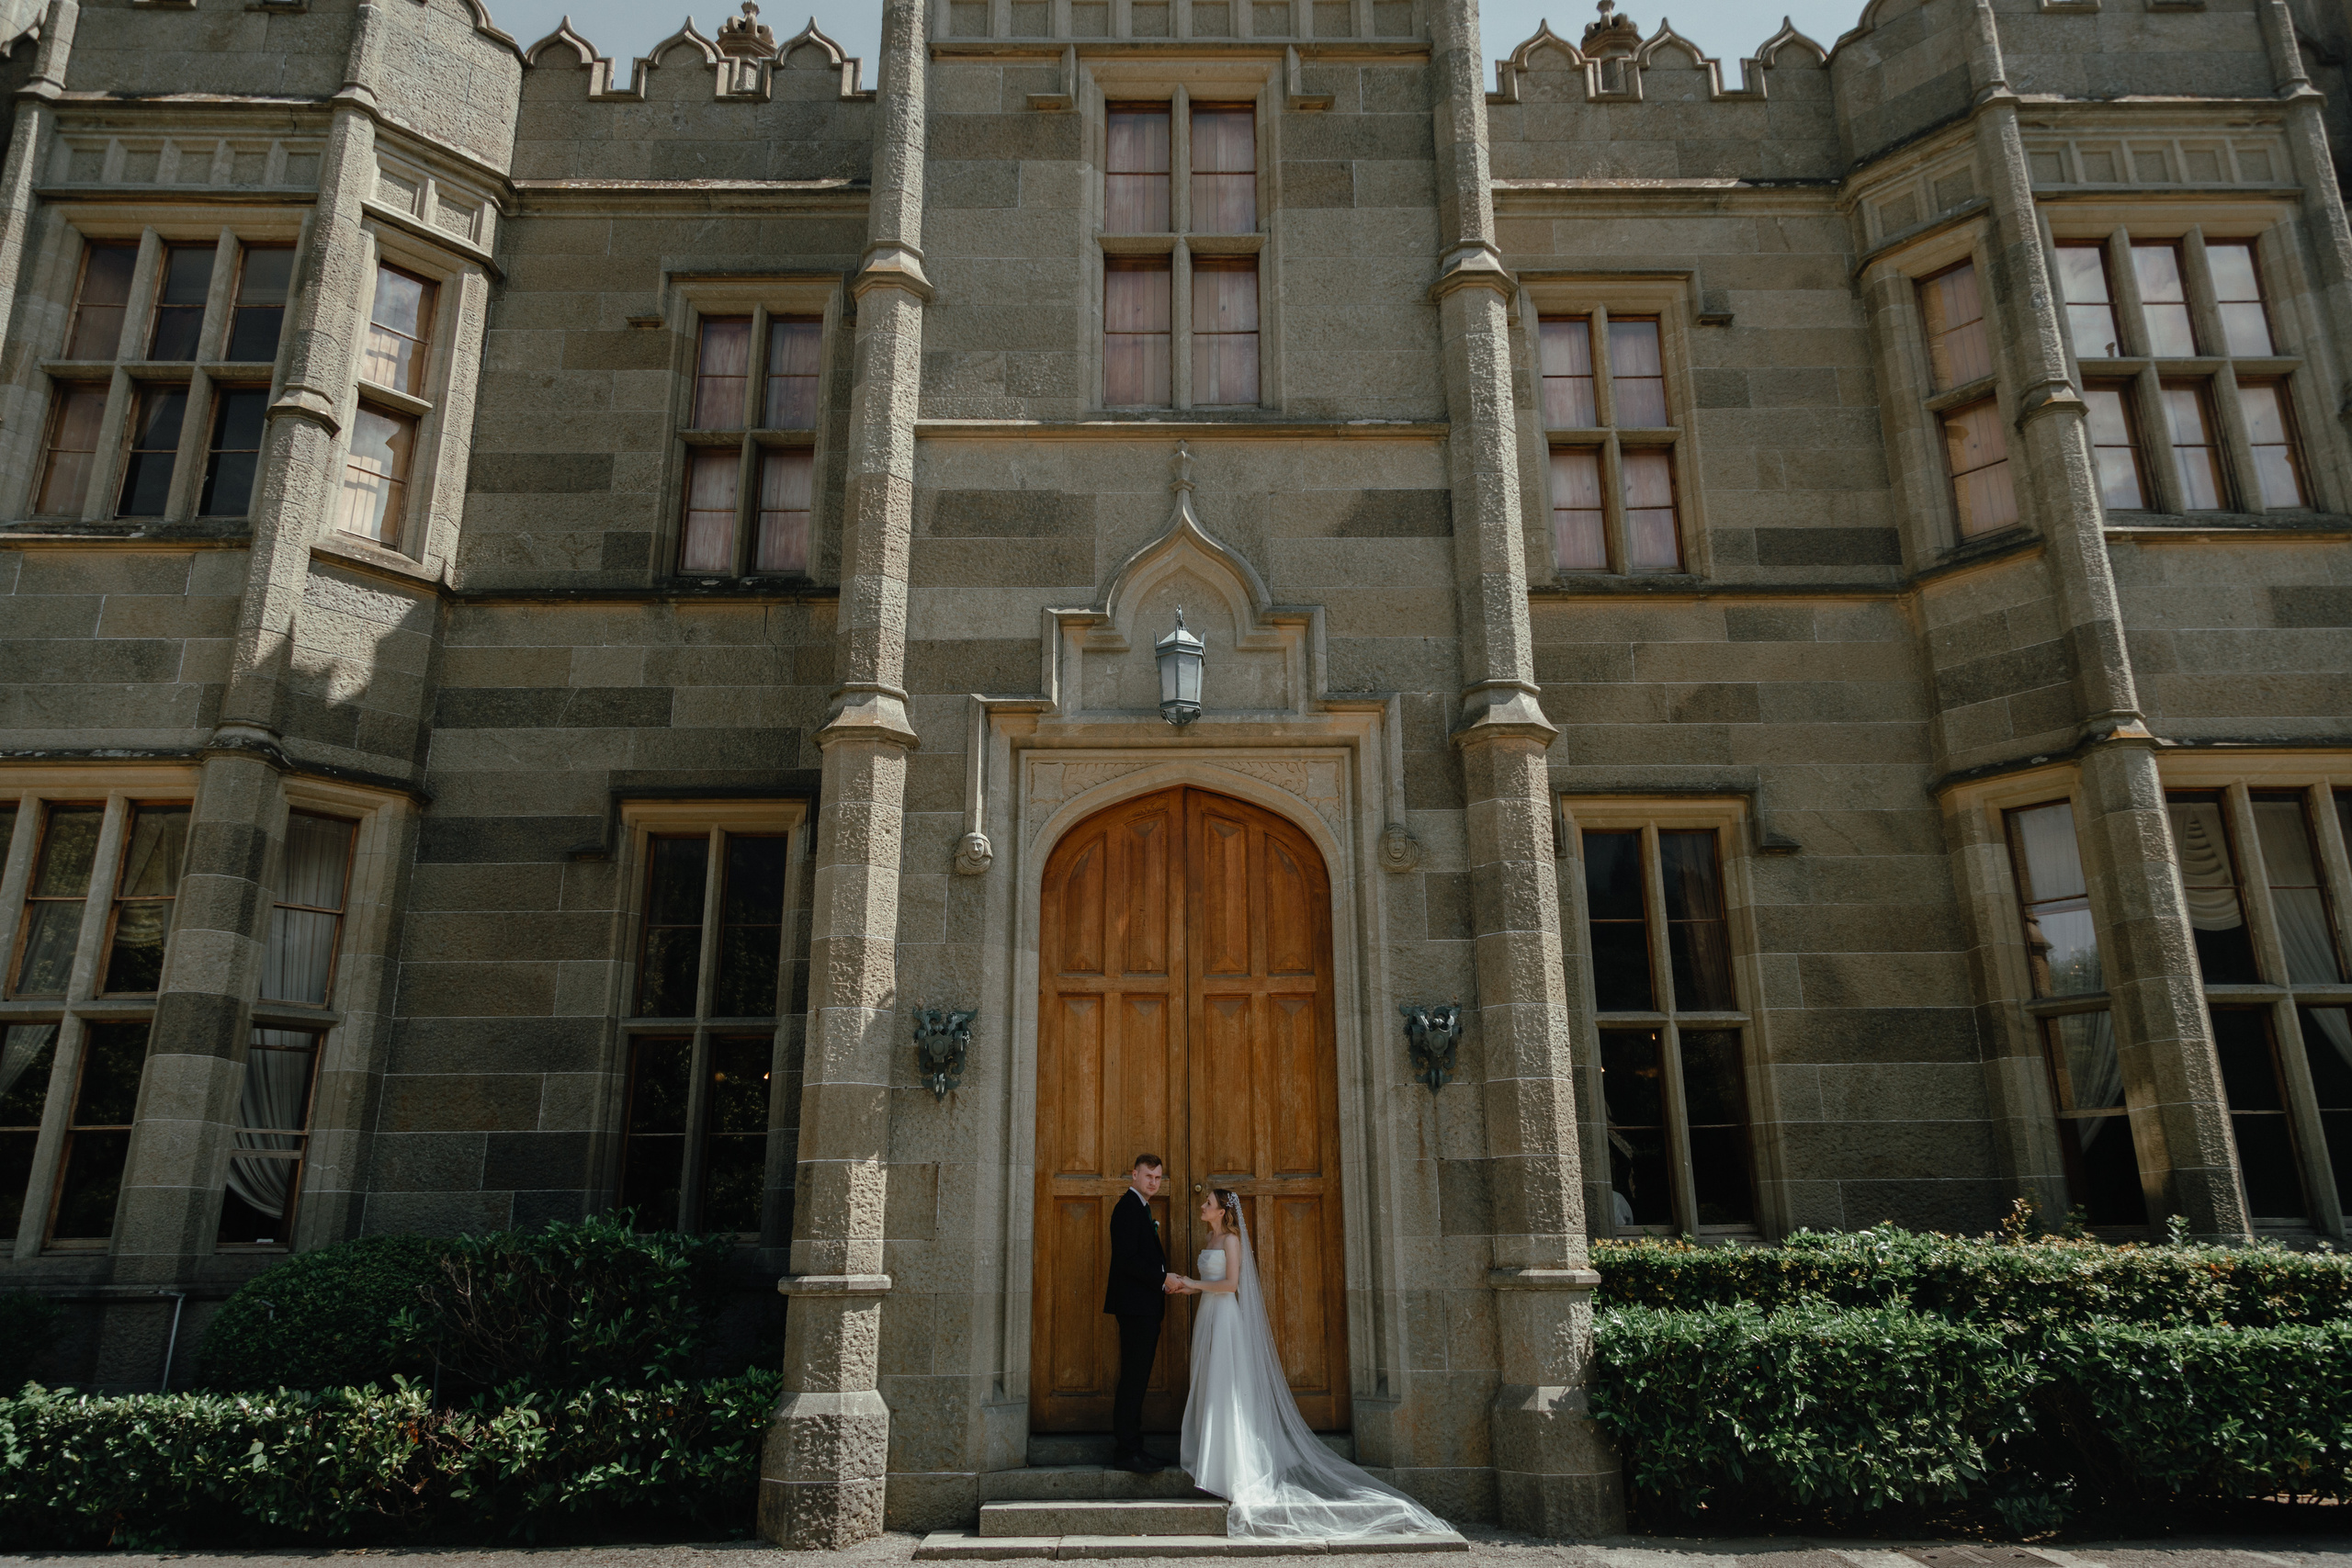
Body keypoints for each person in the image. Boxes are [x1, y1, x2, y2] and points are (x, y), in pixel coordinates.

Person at [1164, 1189, 1450, 1540]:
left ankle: (1233, 1471)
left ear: (1222, 1211)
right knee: (1212, 1385)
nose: (1203, 1206)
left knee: (1227, 1389)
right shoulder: (1211, 1238)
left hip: (1226, 1320)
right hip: (1209, 1315)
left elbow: (1231, 1284)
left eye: (1208, 1203)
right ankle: (1215, 1465)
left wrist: (1194, 1283)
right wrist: (1189, 1288)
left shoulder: (1232, 1241)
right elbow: (1212, 1284)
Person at [1101, 1153, 1169, 1474]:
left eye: (1158, 1178)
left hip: (1144, 1307)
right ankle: (1127, 1451)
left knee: (1137, 1378)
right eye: (1148, 1176)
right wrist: (1163, 1279)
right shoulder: (1127, 1209)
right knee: (1133, 1378)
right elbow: (1127, 1261)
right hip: (1135, 1308)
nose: (1153, 1183)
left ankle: (1134, 1447)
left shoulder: (1141, 1207)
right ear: (1134, 1175)